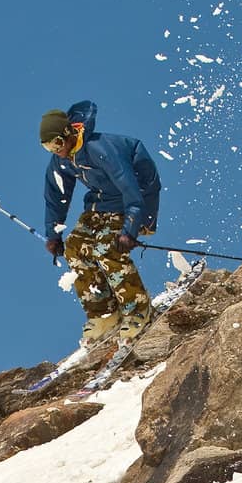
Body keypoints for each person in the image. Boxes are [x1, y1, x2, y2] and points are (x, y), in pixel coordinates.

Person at [40, 100, 161, 347]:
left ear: (68, 134)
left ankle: (138, 309)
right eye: (47, 146)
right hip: (101, 201)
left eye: (57, 143)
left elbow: (132, 189)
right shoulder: (61, 160)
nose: (55, 150)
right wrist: (53, 233)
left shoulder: (101, 149)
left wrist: (131, 228)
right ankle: (104, 312)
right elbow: (57, 195)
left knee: (108, 247)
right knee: (75, 247)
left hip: (136, 197)